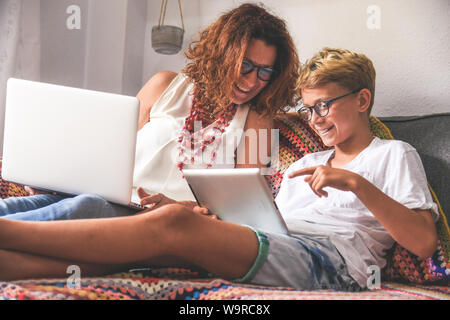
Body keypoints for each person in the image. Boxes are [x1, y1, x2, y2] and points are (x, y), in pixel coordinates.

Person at [0, 47, 439, 291]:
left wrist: (357, 184)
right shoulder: (306, 162)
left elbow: (422, 243)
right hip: (276, 241)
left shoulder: (393, 154)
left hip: (330, 263)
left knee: (172, 223)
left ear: (362, 100)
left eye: (324, 104)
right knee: (129, 233)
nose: (316, 118)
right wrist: (197, 211)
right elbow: (264, 225)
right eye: (308, 110)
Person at [0, 3, 300, 221]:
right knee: (24, 207)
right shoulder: (164, 86)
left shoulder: (258, 118)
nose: (251, 81)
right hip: (111, 198)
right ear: (222, 55)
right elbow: (105, 153)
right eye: (245, 65)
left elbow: (245, 210)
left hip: (158, 220)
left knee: (83, 209)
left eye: (264, 72)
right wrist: (57, 178)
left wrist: (185, 209)